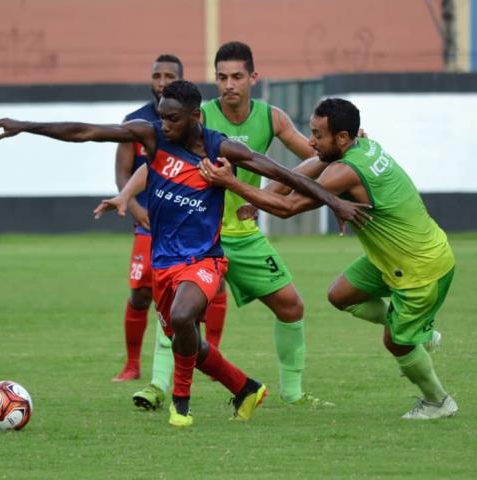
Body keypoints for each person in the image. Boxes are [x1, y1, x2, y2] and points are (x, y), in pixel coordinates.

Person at [0, 81, 370, 427]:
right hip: (163, 262)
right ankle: (245, 388)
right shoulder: (152, 137)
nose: (164, 125)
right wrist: (25, 126)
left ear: (194, 116)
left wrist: (333, 202)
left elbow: (286, 175)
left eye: (172, 119)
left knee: (185, 317)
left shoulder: (222, 148)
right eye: (162, 117)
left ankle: (180, 406)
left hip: (204, 259)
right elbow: (86, 132)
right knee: (188, 342)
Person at [200, 97, 458, 420]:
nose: (310, 141)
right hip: (394, 259)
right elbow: (310, 168)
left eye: (317, 135)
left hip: (421, 267)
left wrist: (233, 183)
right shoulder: (361, 145)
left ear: (342, 138)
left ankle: (438, 401)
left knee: (396, 343)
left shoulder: (347, 171)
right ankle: (417, 329)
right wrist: (265, 197)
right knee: (340, 294)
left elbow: (290, 208)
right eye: (311, 132)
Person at [133, 41, 334, 410]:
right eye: (222, 77)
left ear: (253, 78)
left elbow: (317, 156)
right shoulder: (198, 117)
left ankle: (293, 394)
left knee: (291, 306)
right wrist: (127, 197)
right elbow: (156, 164)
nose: (229, 84)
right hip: (200, 237)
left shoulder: (272, 118)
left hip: (244, 237)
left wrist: (350, 147)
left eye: (237, 76)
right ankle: (157, 387)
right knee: (180, 312)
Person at [111, 54, 183, 382]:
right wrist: (138, 211)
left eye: (169, 75)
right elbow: (123, 173)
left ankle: (208, 355)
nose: (162, 81)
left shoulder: (193, 122)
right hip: (148, 224)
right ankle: (132, 365)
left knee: (199, 292)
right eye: (157, 75)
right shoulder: (135, 122)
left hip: (185, 223)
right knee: (141, 293)